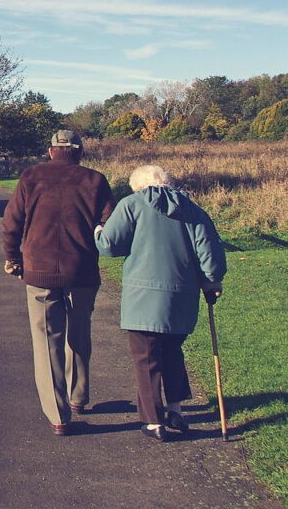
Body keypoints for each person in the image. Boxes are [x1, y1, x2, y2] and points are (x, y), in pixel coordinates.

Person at [95, 165, 226, 442]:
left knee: (146, 358)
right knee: (172, 351)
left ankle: (153, 421)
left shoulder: (131, 204)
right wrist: (212, 282)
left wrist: (98, 231)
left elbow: (109, 246)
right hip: (182, 297)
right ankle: (175, 409)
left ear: (138, 186)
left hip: (142, 298)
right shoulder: (193, 210)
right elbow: (210, 255)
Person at [2, 129, 115, 436]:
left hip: (39, 270)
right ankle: (78, 396)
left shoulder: (31, 177)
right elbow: (110, 225)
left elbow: (11, 222)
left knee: (46, 341)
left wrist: (13, 257)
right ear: (80, 151)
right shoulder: (95, 180)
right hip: (82, 271)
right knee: (79, 333)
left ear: (51, 151)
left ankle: (58, 415)